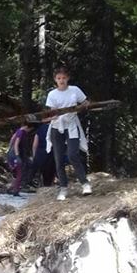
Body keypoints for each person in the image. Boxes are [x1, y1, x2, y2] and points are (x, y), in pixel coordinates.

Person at [45, 66, 91, 201]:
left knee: (72, 155)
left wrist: (82, 107)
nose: (61, 81)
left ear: (67, 78)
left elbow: (85, 102)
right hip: (57, 126)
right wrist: (53, 117)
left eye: (64, 78)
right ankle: (63, 187)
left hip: (71, 125)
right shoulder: (52, 94)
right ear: (55, 80)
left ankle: (85, 183)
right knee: (58, 159)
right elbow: (53, 111)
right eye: (59, 78)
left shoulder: (75, 90)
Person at [7, 122, 36, 196]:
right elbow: (16, 144)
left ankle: (11, 188)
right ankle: (16, 191)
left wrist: (8, 151)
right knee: (20, 173)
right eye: (30, 129)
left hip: (13, 154)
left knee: (20, 172)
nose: (29, 131)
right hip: (15, 155)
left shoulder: (18, 131)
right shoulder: (21, 132)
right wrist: (17, 156)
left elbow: (11, 140)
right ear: (27, 127)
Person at [30, 121, 56, 188]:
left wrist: (34, 155)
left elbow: (35, 144)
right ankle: (49, 186)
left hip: (40, 153)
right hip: (51, 153)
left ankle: (41, 186)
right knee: (50, 172)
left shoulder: (40, 129)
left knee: (40, 171)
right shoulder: (55, 127)